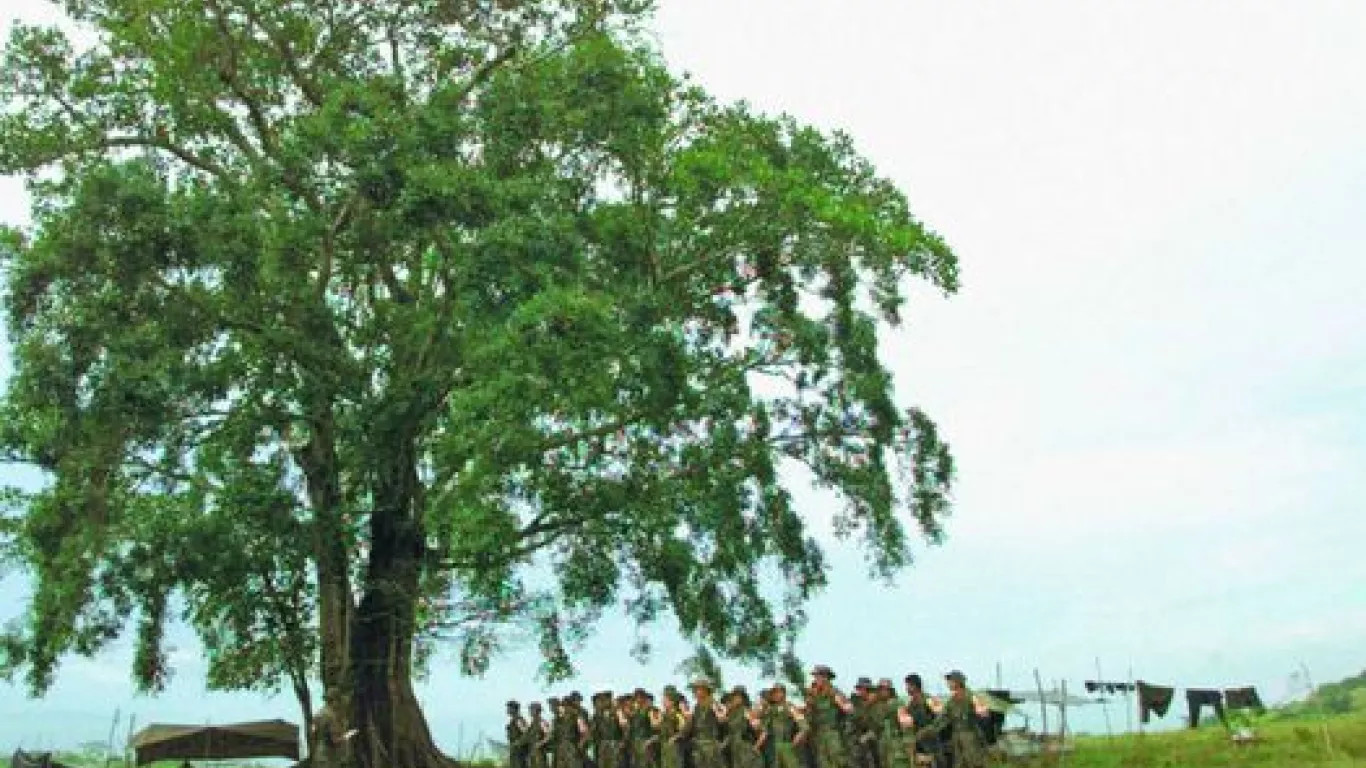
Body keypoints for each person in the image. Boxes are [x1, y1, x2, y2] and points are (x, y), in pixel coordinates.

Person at [911, 672, 987, 768]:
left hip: (971, 738)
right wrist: (924, 732)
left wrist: (981, 710)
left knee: (975, 764)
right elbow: (941, 720)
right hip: (956, 739)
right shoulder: (951, 702)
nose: (948, 684)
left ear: (958, 682)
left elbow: (983, 714)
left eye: (950, 681)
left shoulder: (972, 697)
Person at [806, 665, 853, 768]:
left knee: (838, 761)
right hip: (818, 734)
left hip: (833, 734)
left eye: (818, 676)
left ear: (826, 677)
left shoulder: (834, 692)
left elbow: (848, 708)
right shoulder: (812, 694)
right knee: (823, 762)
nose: (816, 679)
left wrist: (842, 704)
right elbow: (808, 714)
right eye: (815, 676)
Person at [760, 683, 809, 768]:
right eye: (773, 693)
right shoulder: (771, 710)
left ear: (783, 693)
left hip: (787, 744)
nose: (774, 695)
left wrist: (796, 739)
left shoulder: (790, 707)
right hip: (774, 747)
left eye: (777, 692)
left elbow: (804, 726)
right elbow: (765, 730)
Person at [683, 678, 726, 768]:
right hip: (698, 747)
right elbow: (690, 727)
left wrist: (718, 713)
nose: (696, 692)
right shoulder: (696, 707)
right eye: (695, 690)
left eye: (699, 689)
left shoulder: (714, 704)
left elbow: (722, 720)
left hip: (712, 747)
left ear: (706, 690)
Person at [724, 686, 764, 768]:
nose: (735, 699)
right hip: (735, 749)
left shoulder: (746, 711)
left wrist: (756, 747)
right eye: (734, 696)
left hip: (745, 749)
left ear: (743, 698)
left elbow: (759, 728)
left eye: (738, 696)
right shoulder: (731, 714)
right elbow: (730, 733)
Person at [509, 701, 530, 768]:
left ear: (514, 709)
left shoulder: (519, 720)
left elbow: (526, 733)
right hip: (515, 752)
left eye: (509, 708)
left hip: (520, 752)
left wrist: (518, 742)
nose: (508, 710)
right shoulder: (513, 721)